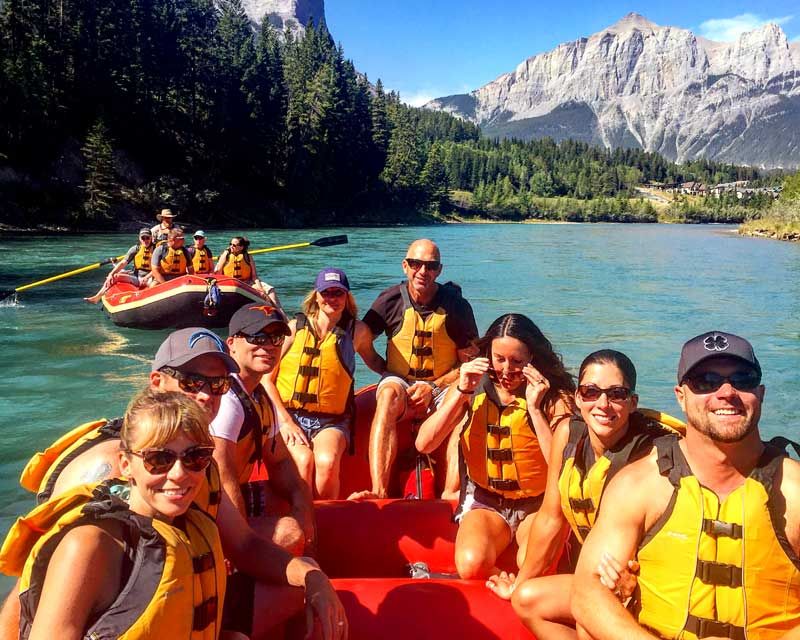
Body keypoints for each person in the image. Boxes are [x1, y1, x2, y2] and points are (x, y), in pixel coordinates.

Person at [0, 328, 347, 640]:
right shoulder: (101, 494)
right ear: (157, 382)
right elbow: (30, 594)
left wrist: (312, 576)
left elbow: (244, 544)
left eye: (217, 384)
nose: (206, 396)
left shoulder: (200, 464)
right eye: (191, 381)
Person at [572, 331, 800, 640]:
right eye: (706, 381)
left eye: (742, 379)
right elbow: (588, 590)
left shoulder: (793, 489)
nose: (726, 392)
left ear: (759, 393)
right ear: (681, 396)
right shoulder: (640, 484)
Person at [0, 390, 244, 639]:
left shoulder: (196, 527)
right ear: (126, 465)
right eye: (159, 459)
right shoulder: (90, 544)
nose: (179, 473)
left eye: (196, 457)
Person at [486, 350, 683, 639]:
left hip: (641, 581)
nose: (603, 404)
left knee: (588, 619)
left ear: (632, 403)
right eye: (591, 392)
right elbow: (551, 519)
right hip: (593, 579)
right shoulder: (568, 435)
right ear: (578, 398)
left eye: (616, 394)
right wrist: (519, 583)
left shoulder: (652, 456)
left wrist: (631, 584)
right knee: (526, 599)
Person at [415, 313, 575, 579]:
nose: (505, 369)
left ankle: (521, 583)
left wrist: (535, 409)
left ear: (532, 359)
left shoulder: (554, 398)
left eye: (516, 361)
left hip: (538, 505)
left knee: (532, 563)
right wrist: (462, 391)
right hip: (486, 503)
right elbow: (425, 443)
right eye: (499, 359)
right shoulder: (472, 388)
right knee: (470, 565)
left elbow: (565, 467)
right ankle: (505, 581)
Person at [350, 238, 479, 500]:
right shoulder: (390, 300)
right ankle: (379, 490)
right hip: (400, 381)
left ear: (439, 270)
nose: (423, 271)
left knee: (464, 405)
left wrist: (433, 387)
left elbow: (469, 363)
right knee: (387, 396)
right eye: (416, 264)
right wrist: (380, 367)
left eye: (430, 266)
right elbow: (361, 338)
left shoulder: (456, 306)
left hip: (442, 384)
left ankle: (452, 492)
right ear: (405, 266)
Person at [210, 303, 315, 555]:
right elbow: (224, 479)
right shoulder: (226, 399)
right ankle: (237, 577)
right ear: (232, 343)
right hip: (207, 506)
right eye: (257, 337)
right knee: (289, 533)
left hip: (230, 495)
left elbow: (281, 464)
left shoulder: (259, 397)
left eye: (275, 338)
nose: (268, 345)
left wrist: (304, 510)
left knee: (288, 503)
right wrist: (242, 546)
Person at [275, 267, 377, 499]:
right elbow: (266, 379)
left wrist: (411, 382)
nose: (332, 299)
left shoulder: (357, 332)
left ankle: (327, 524)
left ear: (347, 297)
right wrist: (286, 421)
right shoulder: (293, 329)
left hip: (332, 421)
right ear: (316, 295)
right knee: (303, 461)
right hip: (288, 416)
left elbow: (376, 363)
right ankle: (302, 524)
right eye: (326, 292)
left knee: (327, 462)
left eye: (338, 293)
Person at [84, 227, 155, 303]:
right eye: (143, 238)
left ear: (151, 238)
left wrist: (147, 277)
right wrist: (111, 273)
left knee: (154, 285)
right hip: (137, 277)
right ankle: (97, 297)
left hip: (150, 277)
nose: (145, 240)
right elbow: (123, 263)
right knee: (114, 277)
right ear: (139, 239)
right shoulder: (135, 249)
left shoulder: (156, 249)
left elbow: (158, 268)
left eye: (147, 238)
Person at [215, 236, 281, 309]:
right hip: (231, 283)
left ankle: (281, 314)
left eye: (234, 245)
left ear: (241, 247)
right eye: (230, 244)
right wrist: (225, 252)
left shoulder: (248, 257)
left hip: (246, 282)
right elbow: (218, 272)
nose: (231, 246)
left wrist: (260, 288)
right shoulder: (226, 256)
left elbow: (254, 276)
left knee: (270, 289)